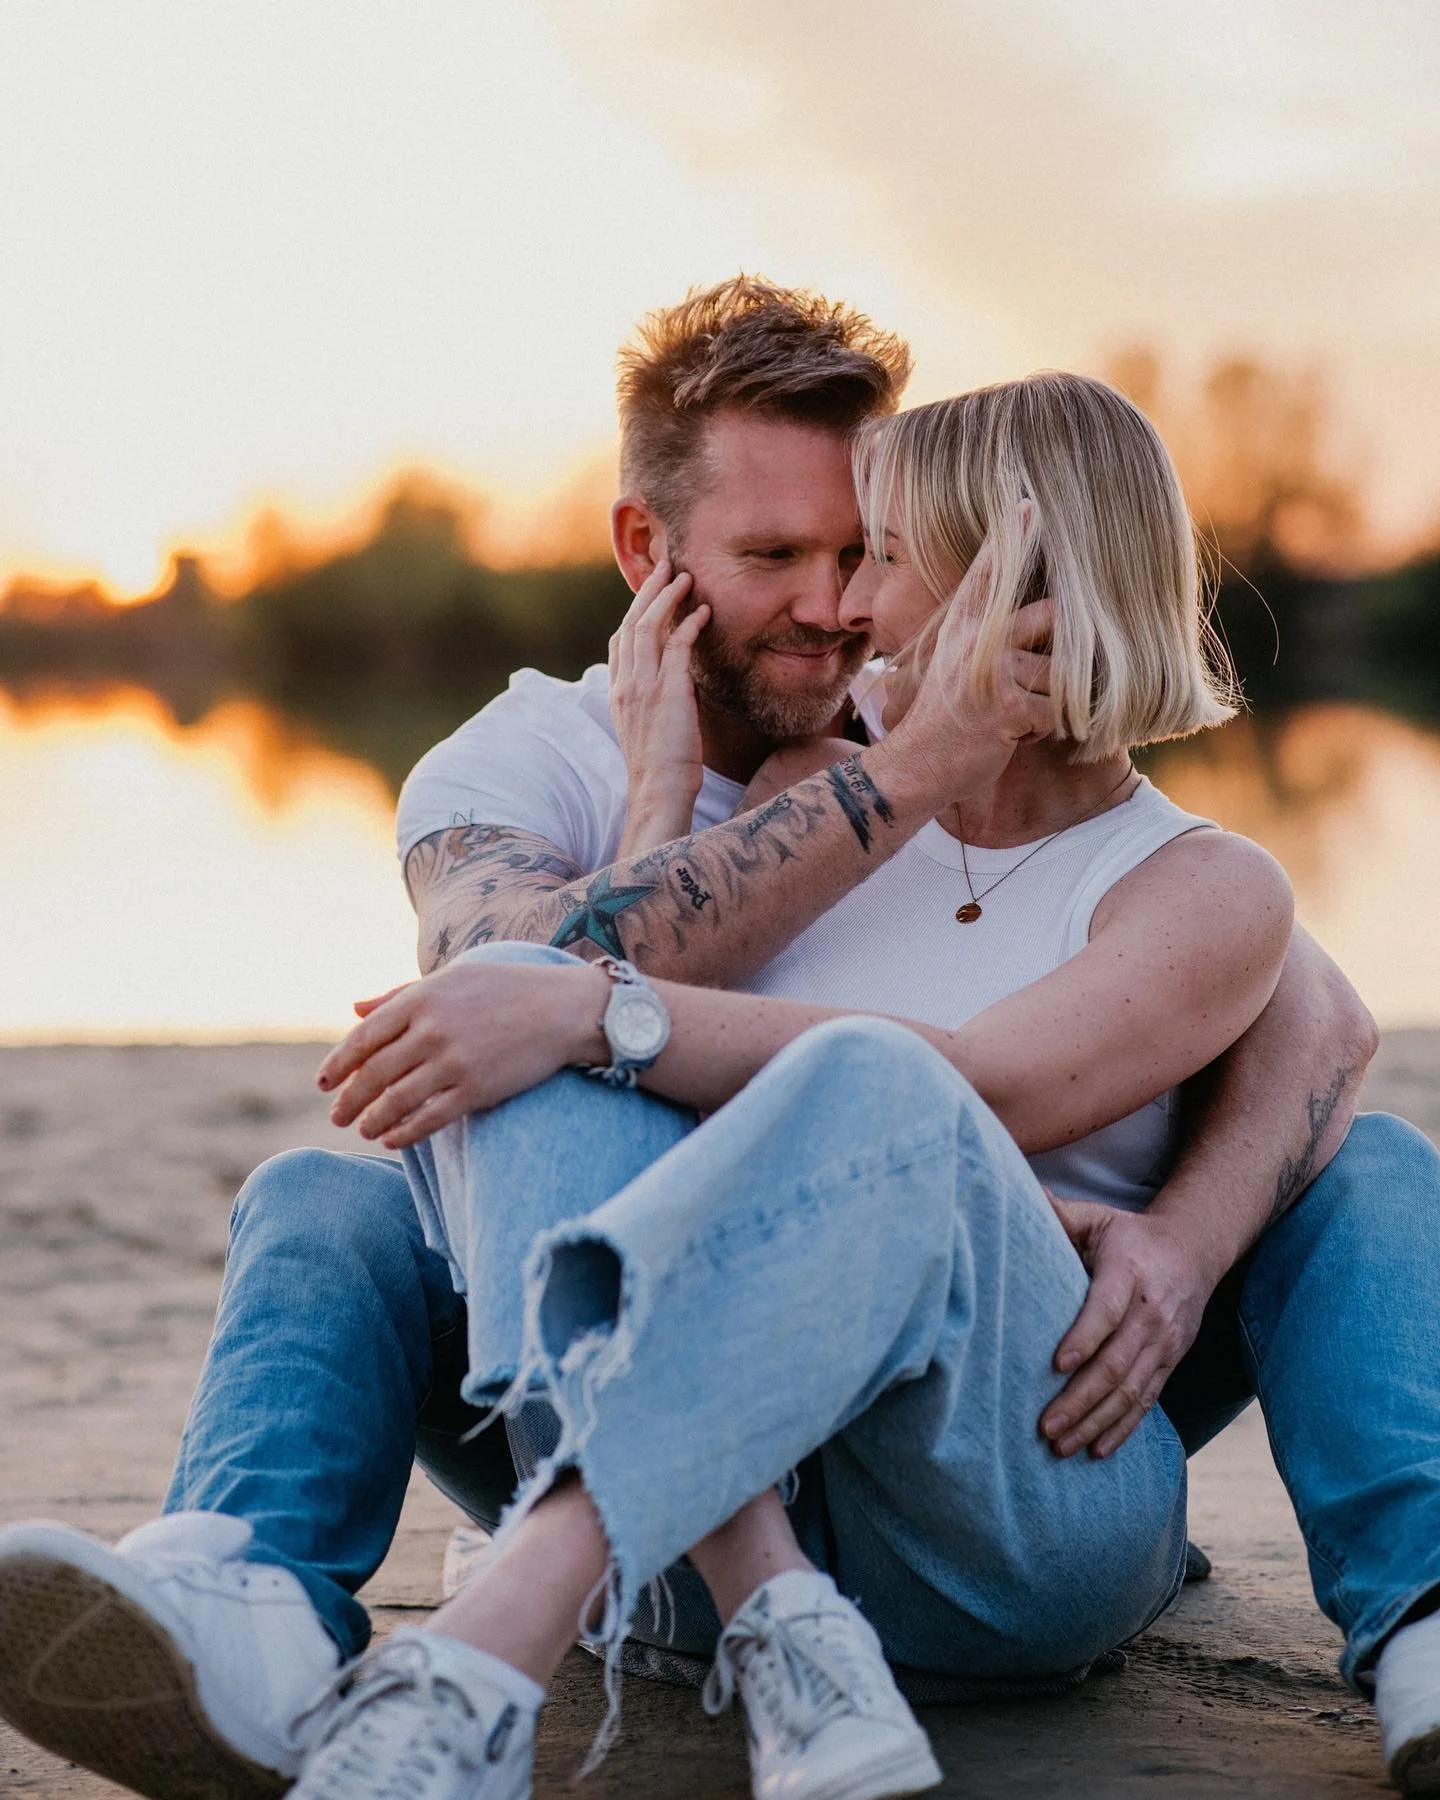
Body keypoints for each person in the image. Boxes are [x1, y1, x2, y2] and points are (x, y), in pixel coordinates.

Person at [0, 280, 1435, 1800]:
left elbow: (1294, 1005)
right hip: (718, 1457)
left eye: (868, 552)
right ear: (649, 555)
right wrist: (657, 824)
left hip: (999, 1484)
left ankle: (516, 1629)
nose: (839, 607)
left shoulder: (945, 776)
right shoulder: (630, 767)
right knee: (334, 1189)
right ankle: (271, 1608)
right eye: (785, 557)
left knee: (1336, 1159)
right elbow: (552, 989)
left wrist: (1187, 1239)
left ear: (1020, 583)